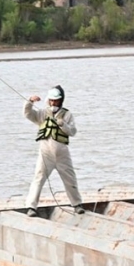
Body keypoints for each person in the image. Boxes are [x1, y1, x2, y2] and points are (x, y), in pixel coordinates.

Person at [23, 85, 84, 217]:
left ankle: (77, 204)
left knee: (70, 179)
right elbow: (28, 114)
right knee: (38, 178)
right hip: (46, 153)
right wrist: (30, 101)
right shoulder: (42, 114)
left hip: (62, 153)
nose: (53, 103)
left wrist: (63, 125)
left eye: (56, 100)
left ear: (61, 100)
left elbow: (72, 132)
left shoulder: (67, 114)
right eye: (51, 100)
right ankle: (31, 207)